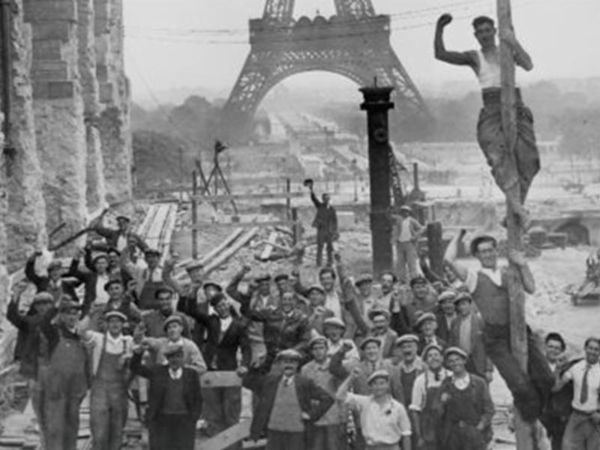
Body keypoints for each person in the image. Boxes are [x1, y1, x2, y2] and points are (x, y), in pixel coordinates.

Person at [434, 14, 539, 228]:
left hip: (516, 105)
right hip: (491, 109)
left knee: (529, 161)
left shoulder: (507, 50)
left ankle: (516, 207)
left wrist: (512, 39)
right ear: (476, 35)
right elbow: (441, 54)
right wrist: (439, 28)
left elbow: (528, 65)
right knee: (497, 157)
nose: (484, 35)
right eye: (480, 32)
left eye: (487, 30)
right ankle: (518, 209)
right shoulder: (475, 57)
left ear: (494, 31)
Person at [445, 231, 553, 423]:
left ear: (496, 250)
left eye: (491, 250)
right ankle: (525, 419)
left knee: (546, 378)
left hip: (520, 330)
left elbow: (531, 287)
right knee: (520, 385)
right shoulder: (474, 277)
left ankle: (543, 417)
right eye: (483, 251)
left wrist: (522, 263)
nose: (488, 254)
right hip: (496, 338)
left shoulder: (509, 271)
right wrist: (459, 235)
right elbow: (448, 259)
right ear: (477, 256)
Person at [177, 292, 250, 439]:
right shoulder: (212, 321)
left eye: (224, 304)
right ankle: (215, 442)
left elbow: (246, 349)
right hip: (209, 371)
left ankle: (232, 445)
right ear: (215, 309)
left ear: (228, 304)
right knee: (212, 409)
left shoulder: (239, 325)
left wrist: (244, 365)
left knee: (231, 410)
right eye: (219, 306)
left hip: (229, 371)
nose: (222, 308)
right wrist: (193, 291)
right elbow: (191, 311)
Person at [243, 349, 334, 450]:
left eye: (293, 362)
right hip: (274, 431)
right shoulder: (270, 381)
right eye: (285, 362)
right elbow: (248, 382)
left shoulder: (304, 383)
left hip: (296, 433)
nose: (289, 365)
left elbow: (327, 399)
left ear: (297, 364)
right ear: (280, 364)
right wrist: (255, 367)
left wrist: (312, 414)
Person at [130, 343, 202, 450]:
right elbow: (135, 367)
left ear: (182, 357)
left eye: (177, 357)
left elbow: (198, 399)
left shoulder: (191, 374)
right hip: (161, 422)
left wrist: (193, 418)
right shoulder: (158, 372)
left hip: (184, 422)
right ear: (167, 359)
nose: (174, 360)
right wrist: (137, 354)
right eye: (171, 357)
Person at [39, 299, 89, 450]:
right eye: (68, 314)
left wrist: (84, 388)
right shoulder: (55, 333)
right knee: (55, 428)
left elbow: (86, 365)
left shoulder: (81, 338)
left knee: (72, 427)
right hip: (57, 392)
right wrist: (55, 306)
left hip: (74, 391)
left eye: (75, 314)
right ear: (61, 316)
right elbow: (44, 323)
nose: (72, 317)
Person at [7, 285, 53, 440]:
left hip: (55, 367)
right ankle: (41, 424)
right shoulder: (31, 322)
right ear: (36, 306)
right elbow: (13, 317)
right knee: (36, 396)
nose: (43, 306)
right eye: (40, 304)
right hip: (35, 366)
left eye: (47, 303)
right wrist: (16, 297)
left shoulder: (60, 321)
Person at [84, 311, 134, 450]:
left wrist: (129, 356)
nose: (115, 324)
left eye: (118, 321)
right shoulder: (98, 338)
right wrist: (91, 313)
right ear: (106, 324)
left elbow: (142, 349)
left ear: (123, 324)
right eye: (111, 321)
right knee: (99, 433)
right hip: (100, 392)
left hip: (120, 393)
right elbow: (80, 330)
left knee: (117, 432)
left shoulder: (128, 341)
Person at [337, 369, 412, 450]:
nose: (378, 387)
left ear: (387, 385)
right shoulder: (364, 403)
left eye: (382, 383)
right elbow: (340, 395)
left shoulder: (398, 407)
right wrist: (351, 378)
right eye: (375, 384)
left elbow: (406, 434)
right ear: (370, 387)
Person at [439, 347, 494, 450]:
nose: (455, 363)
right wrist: (442, 401)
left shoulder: (479, 383)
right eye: (451, 361)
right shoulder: (446, 384)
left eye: (458, 359)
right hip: (453, 436)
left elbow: (489, 409)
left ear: (464, 361)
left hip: (474, 434)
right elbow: (440, 412)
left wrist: (480, 426)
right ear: (448, 365)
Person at [553, 337, 600, 450]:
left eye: (596, 349)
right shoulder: (576, 367)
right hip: (576, 417)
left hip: (594, 419)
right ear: (585, 349)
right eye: (590, 348)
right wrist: (558, 370)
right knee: (567, 447)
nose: (592, 352)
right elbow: (556, 387)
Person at [301, 336, 346, 450]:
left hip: (333, 414)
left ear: (327, 349)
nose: (318, 351)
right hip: (315, 416)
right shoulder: (306, 369)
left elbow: (343, 389)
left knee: (333, 446)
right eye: (315, 349)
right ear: (311, 352)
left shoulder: (335, 366)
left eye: (321, 348)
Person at [247, 291, 311, 370]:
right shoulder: (271, 314)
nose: (287, 302)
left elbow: (305, 341)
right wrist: (250, 292)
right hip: (271, 356)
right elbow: (248, 314)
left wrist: (290, 351)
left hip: (291, 356)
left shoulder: (302, 318)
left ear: (295, 302)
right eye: (284, 299)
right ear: (280, 301)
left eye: (290, 299)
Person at [227, 266, 277, 365]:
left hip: (271, 340)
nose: (264, 287)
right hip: (253, 340)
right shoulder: (249, 299)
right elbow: (230, 290)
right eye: (261, 284)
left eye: (267, 284)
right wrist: (241, 274)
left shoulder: (278, 299)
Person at [410, 344, 451, 450]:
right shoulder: (421, 380)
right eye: (430, 356)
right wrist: (419, 436)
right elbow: (415, 410)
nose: (434, 358)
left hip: (449, 426)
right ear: (425, 361)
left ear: (442, 358)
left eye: (436, 355)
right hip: (429, 429)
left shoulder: (451, 376)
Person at [449, 292, 493, 381]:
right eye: (459, 305)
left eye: (464, 304)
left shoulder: (480, 321)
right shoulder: (455, 322)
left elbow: (489, 347)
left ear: (470, 304)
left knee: (481, 390)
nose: (462, 307)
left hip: (479, 364)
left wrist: (489, 369)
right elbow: (452, 344)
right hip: (462, 363)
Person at [141, 314, 206, 374]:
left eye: (175, 327)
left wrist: (183, 368)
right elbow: (149, 341)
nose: (172, 330)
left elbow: (202, 368)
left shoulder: (190, 345)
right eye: (169, 328)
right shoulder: (161, 343)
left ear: (181, 329)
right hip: (162, 381)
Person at [68, 249, 112, 319]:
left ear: (107, 264)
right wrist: (76, 259)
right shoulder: (90, 277)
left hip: (109, 308)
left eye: (103, 263)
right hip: (92, 309)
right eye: (98, 263)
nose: (101, 265)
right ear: (94, 265)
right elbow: (73, 273)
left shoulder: (112, 277)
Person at [392, 205, 426, 283]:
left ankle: (414, 280)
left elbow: (421, 228)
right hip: (400, 244)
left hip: (409, 244)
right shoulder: (398, 221)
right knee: (400, 263)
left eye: (406, 211)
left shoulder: (411, 220)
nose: (405, 213)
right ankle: (402, 280)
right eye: (403, 211)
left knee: (412, 263)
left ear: (409, 213)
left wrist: (415, 236)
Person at [308, 184, 338, 267]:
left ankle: (330, 262)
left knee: (330, 248)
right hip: (321, 230)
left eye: (327, 199)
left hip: (329, 231)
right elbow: (314, 199)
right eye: (324, 199)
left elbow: (335, 221)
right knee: (320, 248)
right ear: (323, 199)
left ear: (329, 199)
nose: (326, 200)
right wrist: (311, 190)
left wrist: (335, 232)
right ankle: (319, 263)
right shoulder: (320, 206)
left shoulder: (332, 209)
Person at [395, 334, 426, 409]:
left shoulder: (424, 367)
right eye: (403, 347)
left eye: (409, 346)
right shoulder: (396, 369)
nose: (406, 350)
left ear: (416, 348)